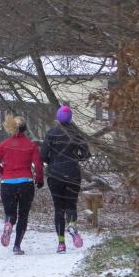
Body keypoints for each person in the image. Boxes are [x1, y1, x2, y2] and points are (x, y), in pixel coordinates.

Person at [42, 105, 91, 253]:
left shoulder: (51, 133)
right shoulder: (76, 133)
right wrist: (75, 157)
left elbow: (43, 155)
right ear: (70, 118)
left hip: (55, 175)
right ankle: (72, 225)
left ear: (58, 118)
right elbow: (86, 154)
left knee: (58, 209)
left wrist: (52, 161)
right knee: (71, 205)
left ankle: (61, 244)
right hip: (72, 173)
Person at [0, 114, 43, 255]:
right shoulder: (31, 145)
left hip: (7, 183)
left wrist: (3, 172)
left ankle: (9, 222)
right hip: (26, 183)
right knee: (23, 215)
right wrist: (39, 179)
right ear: (25, 129)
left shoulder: (4, 144)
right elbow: (38, 165)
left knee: (10, 213)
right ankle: (17, 246)